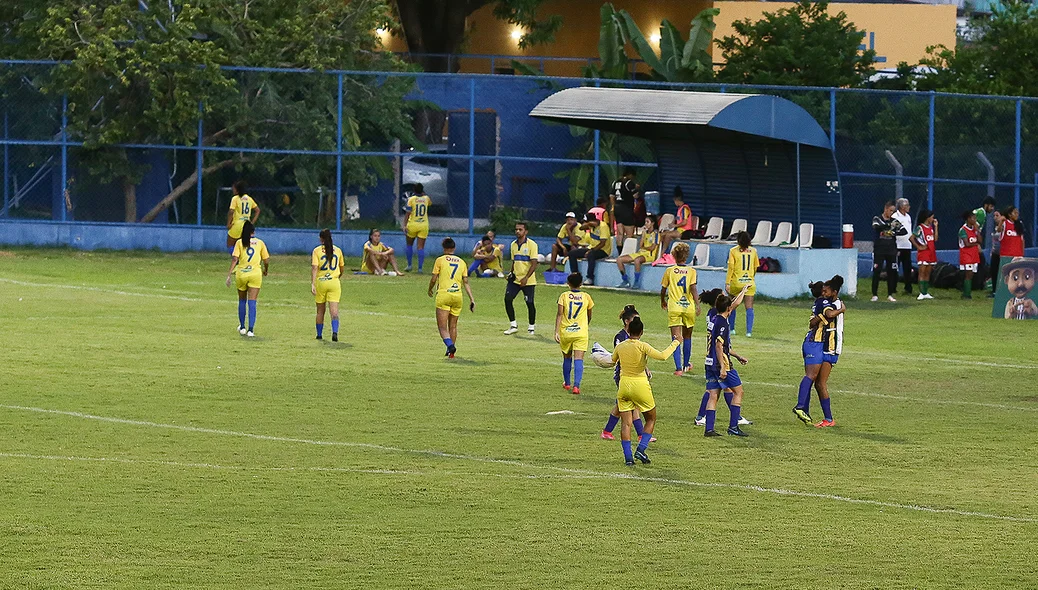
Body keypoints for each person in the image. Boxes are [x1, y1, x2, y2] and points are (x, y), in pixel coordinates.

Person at [611, 317, 679, 465]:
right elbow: (662, 356)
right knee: (651, 418)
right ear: (641, 332)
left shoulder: (620, 346)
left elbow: (612, 360)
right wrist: (675, 342)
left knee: (626, 423)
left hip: (624, 386)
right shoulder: (642, 346)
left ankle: (628, 458)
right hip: (640, 385)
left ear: (628, 330)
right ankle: (641, 449)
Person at [693, 287, 753, 427]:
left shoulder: (712, 314)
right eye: (723, 296)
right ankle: (705, 417)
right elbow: (735, 304)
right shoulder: (719, 317)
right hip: (719, 359)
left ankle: (711, 420)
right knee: (728, 390)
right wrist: (744, 290)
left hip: (712, 357)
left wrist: (737, 355)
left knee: (719, 390)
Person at [601, 305, 652, 442]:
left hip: (633, 375)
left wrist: (645, 368)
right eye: (635, 320)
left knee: (622, 405)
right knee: (632, 405)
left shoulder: (634, 336)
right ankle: (641, 434)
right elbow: (624, 357)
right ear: (626, 321)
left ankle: (607, 431)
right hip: (623, 375)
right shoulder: (620, 337)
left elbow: (637, 355)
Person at [428, 237, 476, 358]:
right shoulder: (462, 262)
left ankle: (450, 345)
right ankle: (451, 354)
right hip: (457, 296)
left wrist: (430, 289)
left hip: (444, 294)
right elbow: (466, 282)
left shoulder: (440, 260)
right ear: (454, 248)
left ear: (443, 248)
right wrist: (472, 299)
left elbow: (434, 278)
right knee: (453, 326)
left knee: (442, 328)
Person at [660, 242, 700, 376]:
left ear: (674, 256)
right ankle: (686, 364)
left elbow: (663, 288)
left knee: (676, 338)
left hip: (674, 307)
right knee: (687, 336)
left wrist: (662, 300)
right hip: (688, 307)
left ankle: (678, 369)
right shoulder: (692, 271)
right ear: (686, 256)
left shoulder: (669, 271)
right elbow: (693, 288)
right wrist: (697, 304)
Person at [225, 220, 269, 337]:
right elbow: (266, 259)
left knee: (242, 300)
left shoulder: (240, 242)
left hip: (242, 274)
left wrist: (229, 274)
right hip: (255, 274)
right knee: (252, 301)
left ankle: (242, 327)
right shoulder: (260, 243)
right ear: (253, 232)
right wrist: (266, 270)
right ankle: (251, 329)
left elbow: (235, 259)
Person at [794, 280, 829, 425]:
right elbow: (813, 323)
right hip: (814, 342)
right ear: (822, 291)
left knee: (814, 378)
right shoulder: (822, 302)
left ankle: (805, 411)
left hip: (814, 343)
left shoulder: (819, 302)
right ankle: (800, 406)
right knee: (811, 375)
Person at [813, 275, 846, 428]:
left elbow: (829, 316)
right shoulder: (833, 303)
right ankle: (827, 418)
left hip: (831, 347)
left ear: (834, 292)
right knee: (817, 383)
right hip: (826, 345)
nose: (824, 294)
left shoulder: (836, 305)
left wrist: (841, 310)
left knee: (820, 382)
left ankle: (829, 419)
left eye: (826, 291)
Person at [556, 272, 594, 395]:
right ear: (581, 283)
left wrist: (556, 331)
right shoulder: (586, 297)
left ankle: (567, 383)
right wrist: (585, 325)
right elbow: (589, 314)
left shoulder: (564, 296)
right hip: (581, 332)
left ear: (568, 283)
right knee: (579, 359)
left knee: (567, 357)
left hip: (566, 332)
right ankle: (576, 386)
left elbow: (560, 314)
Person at [503, 222, 539, 334]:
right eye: (516, 229)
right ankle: (513, 325)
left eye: (520, 229)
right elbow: (514, 261)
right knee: (508, 299)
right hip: (515, 279)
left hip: (528, 280)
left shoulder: (532, 245)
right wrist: (511, 273)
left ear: (526, 231)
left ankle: (531, 327)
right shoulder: (513, 244)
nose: (518, 231)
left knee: (529, 303)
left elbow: (534, 263)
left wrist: (526, 278)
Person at [311, 229, 345, 341]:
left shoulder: (317, 250)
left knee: (320, 311)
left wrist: (313, 283)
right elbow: (341, 268)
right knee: (334, 311)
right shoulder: (338, 250)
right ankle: (335, 332)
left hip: (321, 282)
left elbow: (315, 267)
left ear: (321, 238)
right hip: (334, 282)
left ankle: (319, 335)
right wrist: (336, 277)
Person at [871, 200, 907, 302]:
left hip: (891, 250)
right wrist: (890, 227)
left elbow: (904, 231)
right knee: (877, 271)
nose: (892, 213)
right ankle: (874, 294)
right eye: (890, 210)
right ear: (885, 209)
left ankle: (890, 294)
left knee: (891, 272)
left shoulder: (894, 221)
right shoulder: (877, 219)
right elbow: (877, 227)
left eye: (893, 211)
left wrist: (893, 233)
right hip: (879, 249)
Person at [725, 231, 759, 337]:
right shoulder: (753, 251)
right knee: (749, 307)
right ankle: (748, 332)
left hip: (736, 282)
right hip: (749, 282)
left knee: (732, 305)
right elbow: (755, 267)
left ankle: (732, 329)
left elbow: (731, 267)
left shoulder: (733, 251)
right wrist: (751, 277)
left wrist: (727, 283)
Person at [616, 214, 660, 288]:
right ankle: (625, 280)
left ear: (652, 223)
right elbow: (640, 245)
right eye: (645, 222)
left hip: (649, 255)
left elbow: (652, 248)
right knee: (619, 260)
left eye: (647, 222)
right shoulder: (645, 232)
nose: (645, 223)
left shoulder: (656, 234)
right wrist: (643, 235)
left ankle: (636, 282)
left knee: (637, 260)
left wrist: (644, 247)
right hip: (640, 253)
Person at [568, 213, 611, 286]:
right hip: (592, 247)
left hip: (603, 250)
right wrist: (588, 224)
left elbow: (602, 243)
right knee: (572, 253)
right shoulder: (591, 226)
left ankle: (590, 278)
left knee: (590, 255)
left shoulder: (603, 226)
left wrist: (591, 250)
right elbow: (581, 228)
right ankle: (575, 275)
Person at [611, 167, 640, 253]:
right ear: (630, 175)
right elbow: (635, 196)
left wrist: (614, 206)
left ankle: (620, 252)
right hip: (626, 208)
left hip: (617, 208)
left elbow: (611, 196)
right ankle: (627, 252)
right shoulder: (629, 182)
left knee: (620, 233)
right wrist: (637, 188)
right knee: (629, 233)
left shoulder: (615, 182)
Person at [403, 183, 431, 272]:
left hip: (412, 224)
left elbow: (407, 213)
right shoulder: (426, 199)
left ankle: (409, 265)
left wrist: (404, 225)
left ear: (414, 191)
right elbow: (430, 203)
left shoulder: (411, 200)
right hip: (423, 225)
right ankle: (420, 268)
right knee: (420, 247)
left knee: (409, 244)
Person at [660, 186, 696, 255]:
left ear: (676, 200)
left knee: (668, 235)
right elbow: (678, 218)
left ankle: (663, 253)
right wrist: (673, 221)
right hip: (680, 230)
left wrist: (675, 225)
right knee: (662, 234)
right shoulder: (679, 208)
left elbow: (684, 222)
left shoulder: (685, 208)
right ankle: (662, 251)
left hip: (686, 231)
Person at [226, 181, 260, 251]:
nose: (233, 190)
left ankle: (236, 259)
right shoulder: (249, 199)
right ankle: (243, 259)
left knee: (230, 244)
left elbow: (231, 211)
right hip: (246, 224)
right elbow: (257, 210)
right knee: (243, 246)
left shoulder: (235, 198)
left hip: (237, 224)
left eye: (234, 189)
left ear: (237, 190)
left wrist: (228, 223)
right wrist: (252, 223)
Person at [913, 209, 938, 300]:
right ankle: (921, 292)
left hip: (931, 252)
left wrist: (936, 227)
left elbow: (935, 239)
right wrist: (919, 246)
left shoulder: (930, 228)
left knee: (928, 272)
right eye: (932, 217)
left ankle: (925, 292)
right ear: (927, 218)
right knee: (922, 272)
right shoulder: (920, 228)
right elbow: (912, 237)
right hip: (924, 253)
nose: (933, 219)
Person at [893, 198, 915, 295]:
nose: (909, 207)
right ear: (902, 207)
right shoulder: (895, 216)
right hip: (898, 246)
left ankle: (908, 288)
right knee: (895, 267)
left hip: (907, 246)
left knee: (907, 268)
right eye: (907, 205)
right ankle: (893, 287)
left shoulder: (908, 217)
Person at [959, 210, 982, 299]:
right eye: (973, 218)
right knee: (968, 273)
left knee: (972, 274)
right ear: (968, 219)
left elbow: (980, 241)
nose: (975, 220)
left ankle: (967, 292)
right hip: (966, 255)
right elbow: (967, 244)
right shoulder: (963, 230)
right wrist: (976, 244)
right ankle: (966, 294)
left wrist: (977, 231)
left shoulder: (974, 229)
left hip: (974, 255)